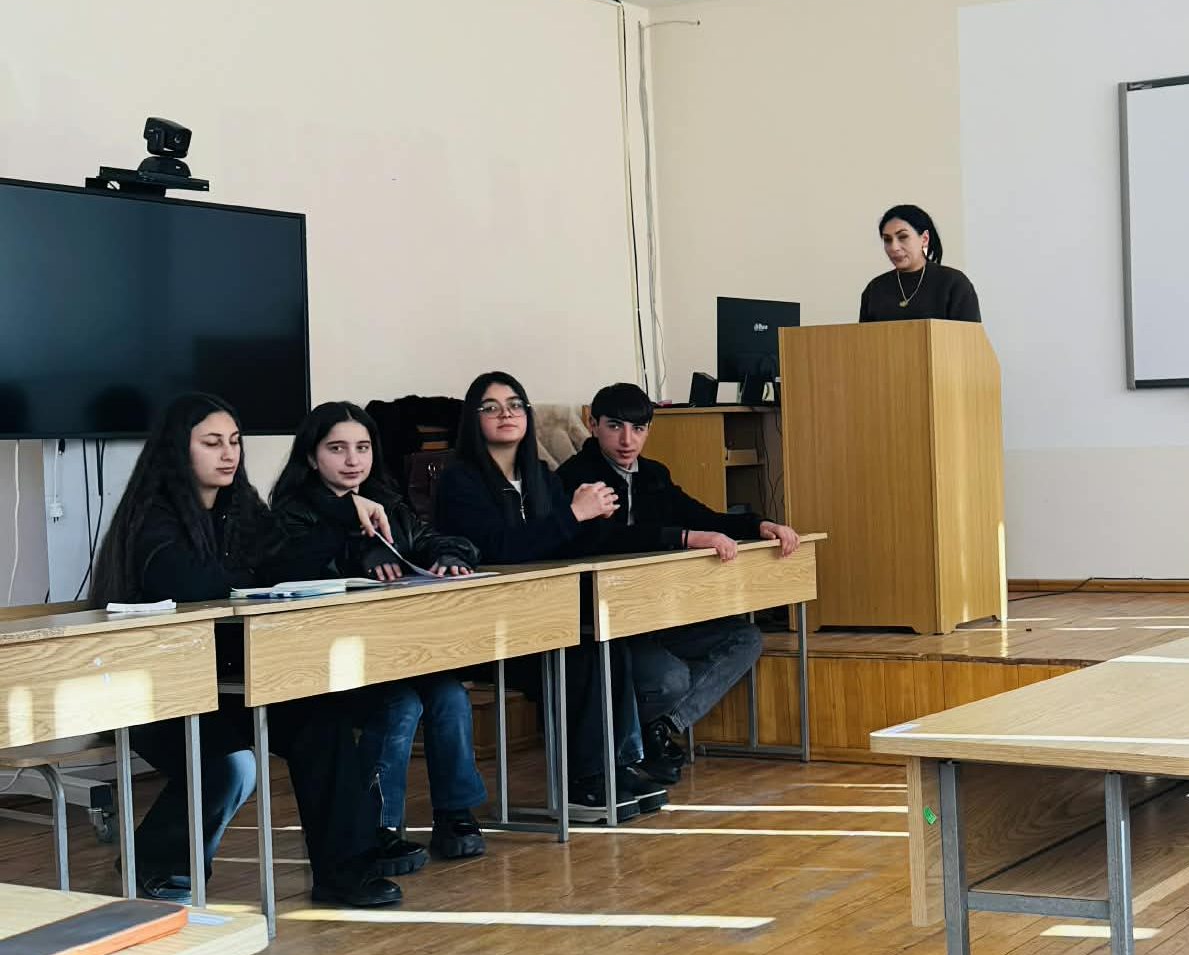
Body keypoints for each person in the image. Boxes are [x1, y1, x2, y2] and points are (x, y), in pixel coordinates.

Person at [87, 393, 402, 907]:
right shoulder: (152, 516)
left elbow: (286, 562)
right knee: (230, 764)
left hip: (226, 682)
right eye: (212, 443)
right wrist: (253, 575)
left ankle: (345, 874)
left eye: (234, 441)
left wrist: (343, 515)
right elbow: (193, 585)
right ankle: (157, 861)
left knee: (321, 720)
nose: (229, 453)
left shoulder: (241, 506)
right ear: (178, 449)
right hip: (156, 690)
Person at [431, 370, 667, 821]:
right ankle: (582, 782)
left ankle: (614, 766)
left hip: (539, 616)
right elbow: (500, 549)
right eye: (491, 407)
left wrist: (591, 517)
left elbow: (561, 543)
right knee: (578, 655)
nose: (505, 414)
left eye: (515, 405)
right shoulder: (460, 480)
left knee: (604, 639)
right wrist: (574, 515)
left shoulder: (540, 475)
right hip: (487, 625)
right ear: (473, 419)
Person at [269, 401, 490, 871]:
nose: (353, 460)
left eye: (363, 447)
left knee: (449, 694)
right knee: (401, 704)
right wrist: (358, 549)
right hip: (329, 664)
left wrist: (449, 556)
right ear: (311, 457)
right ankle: (375, 828)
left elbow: (438, 539)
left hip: (393, 655)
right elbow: (291, 567)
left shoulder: (387, 500)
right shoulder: (292, 511)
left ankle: (455, 814)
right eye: (337, 449)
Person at [556, 382, 800, 781]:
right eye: (615, 427)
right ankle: (632, 741)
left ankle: (661, 728)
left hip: (657, 612)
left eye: (638, 429)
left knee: (745, 638)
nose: (627, 440)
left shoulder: (653, 474)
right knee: (670, 678)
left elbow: (701, 516)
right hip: (607, 624)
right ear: (593, 424)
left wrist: (759, 525)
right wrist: (683, 538)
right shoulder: (574, 478)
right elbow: (600, 539)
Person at [858, 204, 981, 323]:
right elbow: (864, 336)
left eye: (903, 237)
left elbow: (968, 336)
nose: (894, 247)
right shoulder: (874, 289)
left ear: (924, 239)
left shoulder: (954, 283)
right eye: (887, 240)